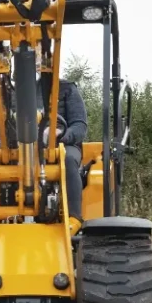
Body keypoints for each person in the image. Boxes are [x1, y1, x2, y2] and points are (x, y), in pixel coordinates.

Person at [45, 76, 89, 219]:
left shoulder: (67, 88)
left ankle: (74, 218)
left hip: (64, 144)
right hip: (26, 149)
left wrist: (62, 134)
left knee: (68, 160)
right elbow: (0, 129)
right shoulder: (14, 92)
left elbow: (79, 125)